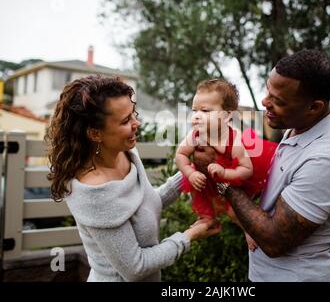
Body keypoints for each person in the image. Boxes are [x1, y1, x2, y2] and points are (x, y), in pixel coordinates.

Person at [205, 50, 330, 281]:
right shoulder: (303, 125)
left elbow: (274, 240)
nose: (264, 102)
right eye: (269, 90)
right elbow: (272, 196)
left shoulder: (329, 158)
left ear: (314, 107)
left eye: (278, 101)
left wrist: (224, 180)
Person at [45, 75, 219, 282]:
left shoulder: (125, 153)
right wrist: (190, 235)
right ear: (95, 133)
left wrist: (191, 172)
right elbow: (136, 267)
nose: (137, 123)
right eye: (126, 120)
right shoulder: (95, 193)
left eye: (133, 114)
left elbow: (146, 205)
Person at [175, 78, 277, 250]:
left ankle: (249, 230)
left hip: (231, 179)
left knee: (233, 211)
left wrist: (224, 173)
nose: (197, 115)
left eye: (205, 111)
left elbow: (246, 170)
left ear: (227, 115)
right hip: (205, 179)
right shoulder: (195, 135)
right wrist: (190, 173)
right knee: (200, 197)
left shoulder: (234, 139)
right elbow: (180, 155)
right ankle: (207, 218)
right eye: (195, 110)